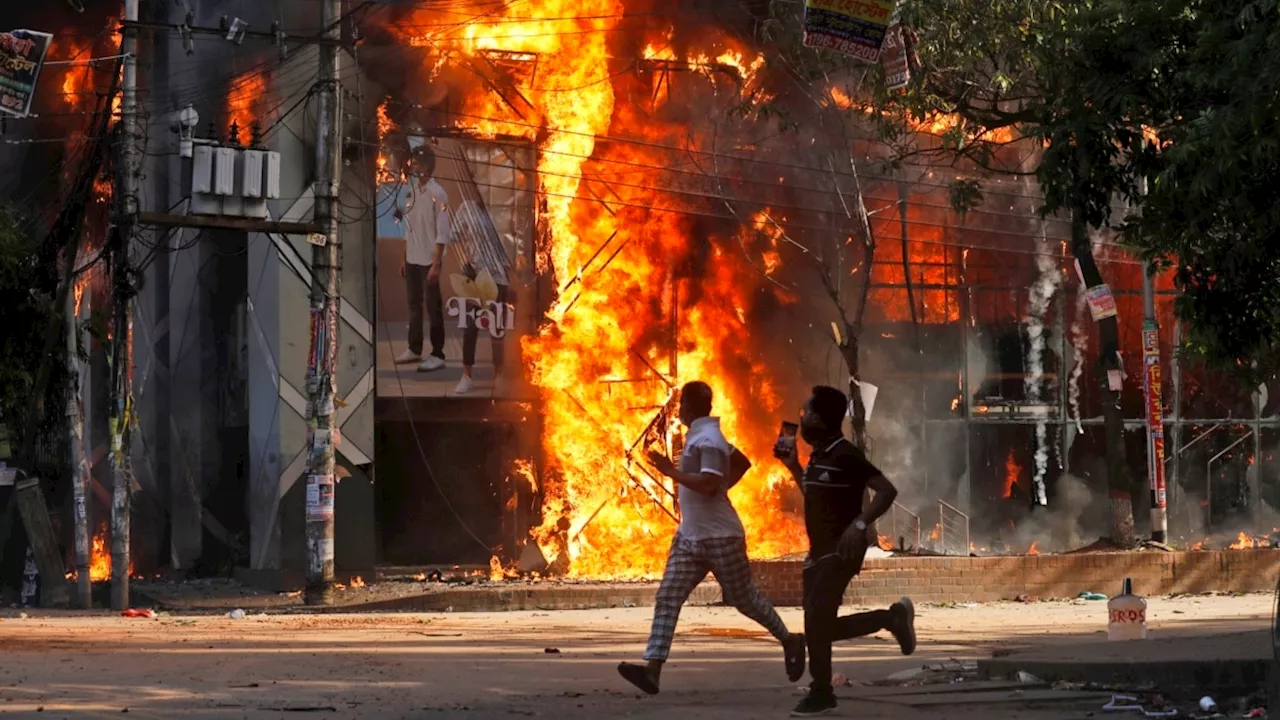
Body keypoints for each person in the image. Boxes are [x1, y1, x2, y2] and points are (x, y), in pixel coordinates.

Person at [618, 381, 806, 695]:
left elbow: (706, 485)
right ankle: (652, 670)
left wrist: (670, 471)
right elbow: (742, 462)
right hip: (690, 537)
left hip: (721, 537)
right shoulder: (703, 435)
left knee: (745, 600)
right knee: (668, 596)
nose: (678, 410)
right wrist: (722, 487)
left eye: (680, 405)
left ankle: (790, 640)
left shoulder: (708, 440)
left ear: (688, 408)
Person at [775, 385, 917, 717]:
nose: (803, 417)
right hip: (817, 552)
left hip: (841, 551)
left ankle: (822, 691)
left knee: (816, 623)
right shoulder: (819, 456)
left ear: (823, 419)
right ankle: (891, 618)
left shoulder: (845, 455)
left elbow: (886, 490)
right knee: (819, 628)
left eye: (808, 412)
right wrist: (794, 467)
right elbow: (812, 495)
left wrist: (859, 525)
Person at [393, 145, 451, 373]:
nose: (412, 167)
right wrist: (403, 257)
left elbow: (442, 232)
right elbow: (410, 229)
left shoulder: (439, 193)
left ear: (426, 166)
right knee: (413, 305)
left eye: (416, 163)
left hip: (429, 262)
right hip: (413, 259)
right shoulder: (412, 192)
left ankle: (438, 354)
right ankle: (414, 349)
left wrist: (436, 264)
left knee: (432, 308)